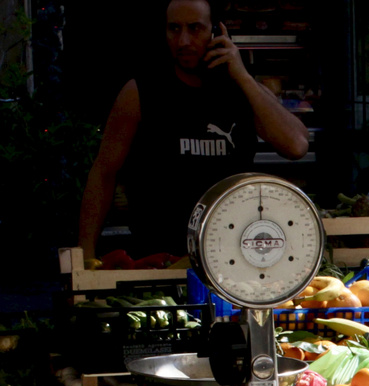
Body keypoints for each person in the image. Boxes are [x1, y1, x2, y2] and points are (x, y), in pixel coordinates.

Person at [77, 0, 309, 264]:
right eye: (174, 29)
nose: (183, 41)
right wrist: (84, 258)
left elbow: (296, 145)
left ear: (216, 32)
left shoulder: (240, 90)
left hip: (232, 260)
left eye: (195, 28)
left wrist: (242, 76)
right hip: (158, 259)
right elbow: (104, 172)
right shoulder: (142, 92)